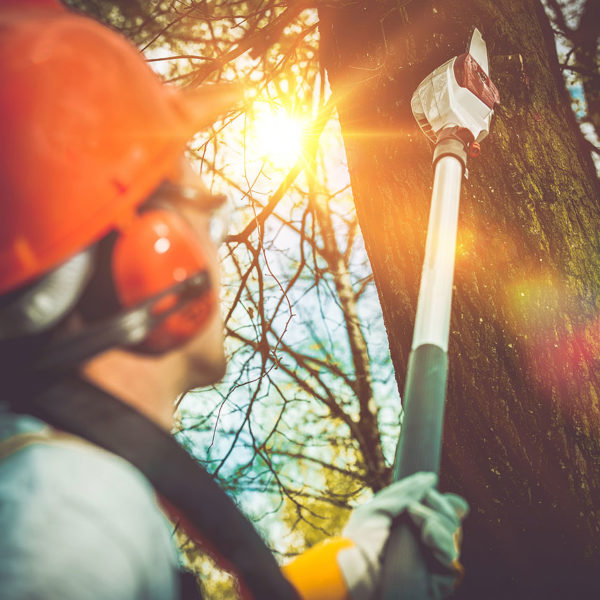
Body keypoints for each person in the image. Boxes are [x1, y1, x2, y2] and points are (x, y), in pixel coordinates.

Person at [0, 1, 468, 599]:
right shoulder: (70, 521)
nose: (218, 249)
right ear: (157, 258)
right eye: (208, 214)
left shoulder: (60, 491)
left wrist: (349, 572)